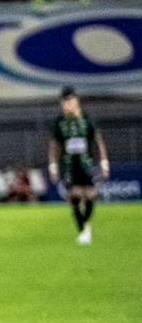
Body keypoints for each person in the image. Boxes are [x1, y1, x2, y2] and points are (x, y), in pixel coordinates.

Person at [48, 86, 109, 244]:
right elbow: (55, 146)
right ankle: (83, 231)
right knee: (74, 196)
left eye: (68, 101)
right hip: (69, 165)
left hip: (86, 164)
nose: (65, 105)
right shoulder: (60, 123)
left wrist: (104, 163)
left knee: (90, 195)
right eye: (63, 102)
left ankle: (85, 225)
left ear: (76, 101)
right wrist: (53, 167)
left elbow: (98, 142)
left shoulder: (87, 120)